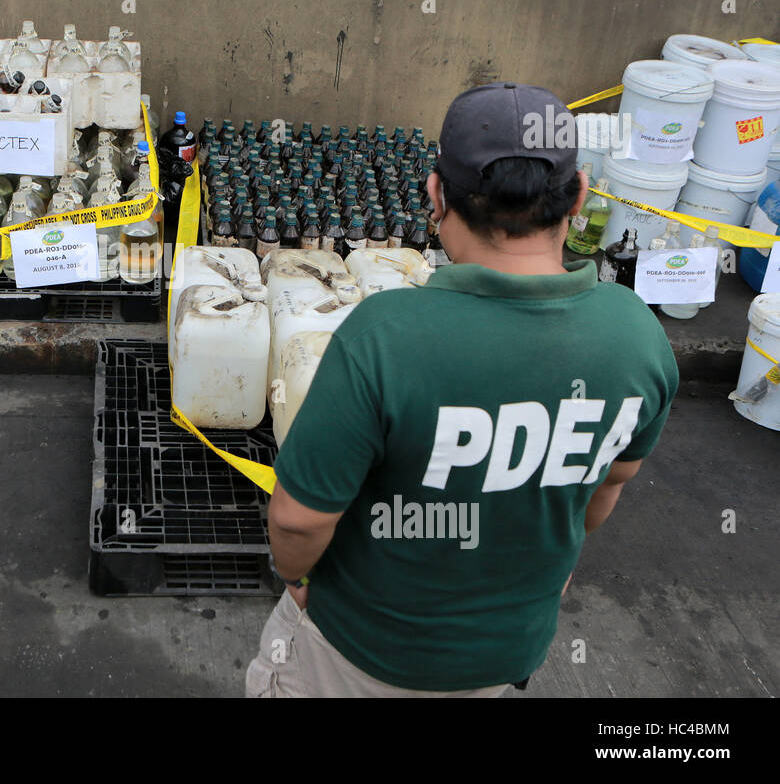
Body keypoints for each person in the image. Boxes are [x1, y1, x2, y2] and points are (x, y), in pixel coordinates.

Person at [247, 82, 678, 697]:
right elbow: (604, 490)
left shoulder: (386, 336)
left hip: (360, 653)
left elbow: (297, 518)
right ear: (579, 195)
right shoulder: (637, 335)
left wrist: (296, 580)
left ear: (435, 192)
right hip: (505, 654)